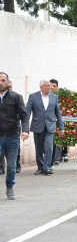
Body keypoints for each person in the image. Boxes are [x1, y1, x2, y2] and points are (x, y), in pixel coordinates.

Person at [0, 72, 30, 200]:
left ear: (8, 82)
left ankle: (10, 188)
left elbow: (24, 115)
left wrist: (25, 130)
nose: (0, 83)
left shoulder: (16, 97)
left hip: (12, 136)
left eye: (3, 80)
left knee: (11, 166)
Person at [26, 80, 65, 176]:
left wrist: (61, 127)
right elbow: (27, 112)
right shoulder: (33, 97)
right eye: (48, 86)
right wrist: (25, 127)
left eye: (51, 86)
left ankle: (47, 167)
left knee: (49, 146)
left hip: (50, 126)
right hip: (37, 126)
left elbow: (58, 113)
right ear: (41, 87)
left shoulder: (54, 97)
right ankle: (40, 167)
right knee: (38, 147)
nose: (50, 87)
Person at [0, 80, 22, 174]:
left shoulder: (15, 97)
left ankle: (17, 164)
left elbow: (23, 113)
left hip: (14, 128)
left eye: (9, 87)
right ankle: (1, 167)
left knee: (15, 149)